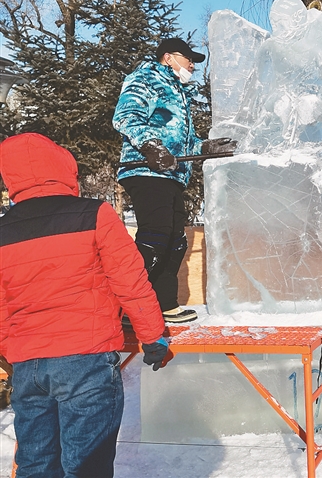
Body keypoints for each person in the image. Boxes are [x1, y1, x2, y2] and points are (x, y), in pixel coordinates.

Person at [0, 132, 169, 478]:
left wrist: (9, 352)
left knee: (36, 465)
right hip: (85, 361)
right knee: (86, 466)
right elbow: (130, 281)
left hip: (28, 367)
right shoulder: (94, 214)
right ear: (63, 166)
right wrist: (153, 336)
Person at [113, 37, 236, 323]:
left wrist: (204, 148)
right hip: (144, 169)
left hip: (171, 174)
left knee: (175, 241)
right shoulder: (146, 78)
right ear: (168, 57)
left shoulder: (178, 91)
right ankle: (126, 307)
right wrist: (151, 146)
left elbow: (181, 142)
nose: (192, 64)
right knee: (155, 236)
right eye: (188, 58)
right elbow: (126, 117)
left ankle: (164, 303)